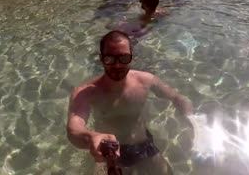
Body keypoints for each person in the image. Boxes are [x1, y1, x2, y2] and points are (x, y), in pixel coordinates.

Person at [67, 31, 192, 175]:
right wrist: (92, 137)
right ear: (101, 59)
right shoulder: (86, 93)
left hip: (144, 145)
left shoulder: (146, 80)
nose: (118, 65)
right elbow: (73, 130)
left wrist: (192, 120)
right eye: (110, 59)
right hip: (110, 153)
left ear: (131, 57)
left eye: (124, 58)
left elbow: (177, 98)